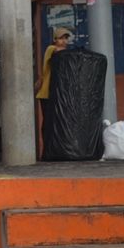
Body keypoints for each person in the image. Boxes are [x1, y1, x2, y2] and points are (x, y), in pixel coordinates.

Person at [34, 26, 72, 154]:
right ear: (55, 39)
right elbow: (58, 50)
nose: (64, 42)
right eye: (62, 39)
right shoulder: (51, 49)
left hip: (55, 93)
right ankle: (46, 148)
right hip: (46, 93)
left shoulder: (61, 51)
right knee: (48, 122)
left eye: (66, 39)